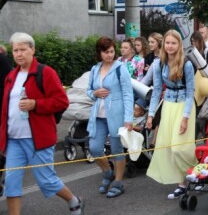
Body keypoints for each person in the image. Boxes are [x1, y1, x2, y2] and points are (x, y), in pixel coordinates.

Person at [1, 32, 84, 214]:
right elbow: (5, 109)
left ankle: (74, 201)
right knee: (11, 182)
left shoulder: (45, 72)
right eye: (15, 50)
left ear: (32, 50)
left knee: (47, 181)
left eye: (23, 49)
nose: (19, 54)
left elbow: (62, 101)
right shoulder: (11, 76)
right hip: (14, 139)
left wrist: (35, 104)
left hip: (37, 138)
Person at [145, 30, 197, 199]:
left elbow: (191, 92)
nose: (170, 46)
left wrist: (185, 117)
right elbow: (157, 90)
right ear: (163, 45)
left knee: (179, 147)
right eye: (167, 43)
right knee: (169, 147)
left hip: (184, 106)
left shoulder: (186, 64)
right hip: (168, 105)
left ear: (179, 45)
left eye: (173, 43)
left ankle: (197, 170)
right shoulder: (158, 64)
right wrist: (151, 115)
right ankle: (182, 184)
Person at [87, 36, 134, 198]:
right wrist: (94, 93)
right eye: (106, 52)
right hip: (98, 116)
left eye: (112, 52)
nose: (109, 55)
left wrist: (128, 118)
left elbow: (128, 94)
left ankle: (119, 183)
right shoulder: (95, 69)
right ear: (99, 53)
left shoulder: (120, 68)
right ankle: (107, 172)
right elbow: (88, 91)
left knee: (116, 150)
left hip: (116, 115)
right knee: (94, 148)